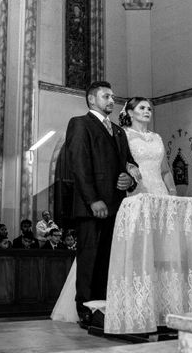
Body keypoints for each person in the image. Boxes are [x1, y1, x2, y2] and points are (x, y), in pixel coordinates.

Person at [63, 80, 137, 328]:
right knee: (90, 259)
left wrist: (130, 180)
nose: (111, 100)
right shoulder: (80, 124)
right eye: (106, 96)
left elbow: (129, 164)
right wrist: (93, 199)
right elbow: (79, 165)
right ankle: (85, 308)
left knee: (108, 259)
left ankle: (104, 306)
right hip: (91, 206)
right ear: (92, 99)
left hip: (117, 205)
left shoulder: (119, 131)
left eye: (113, 97)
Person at [118, 97, 176, 196]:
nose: (147, 111)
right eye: (142, 108)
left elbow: (165, 170)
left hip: (161, 192)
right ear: (131, 112)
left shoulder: (157, 137)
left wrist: (172, 190)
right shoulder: (123, 135)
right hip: (136, 191)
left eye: (149, 109)